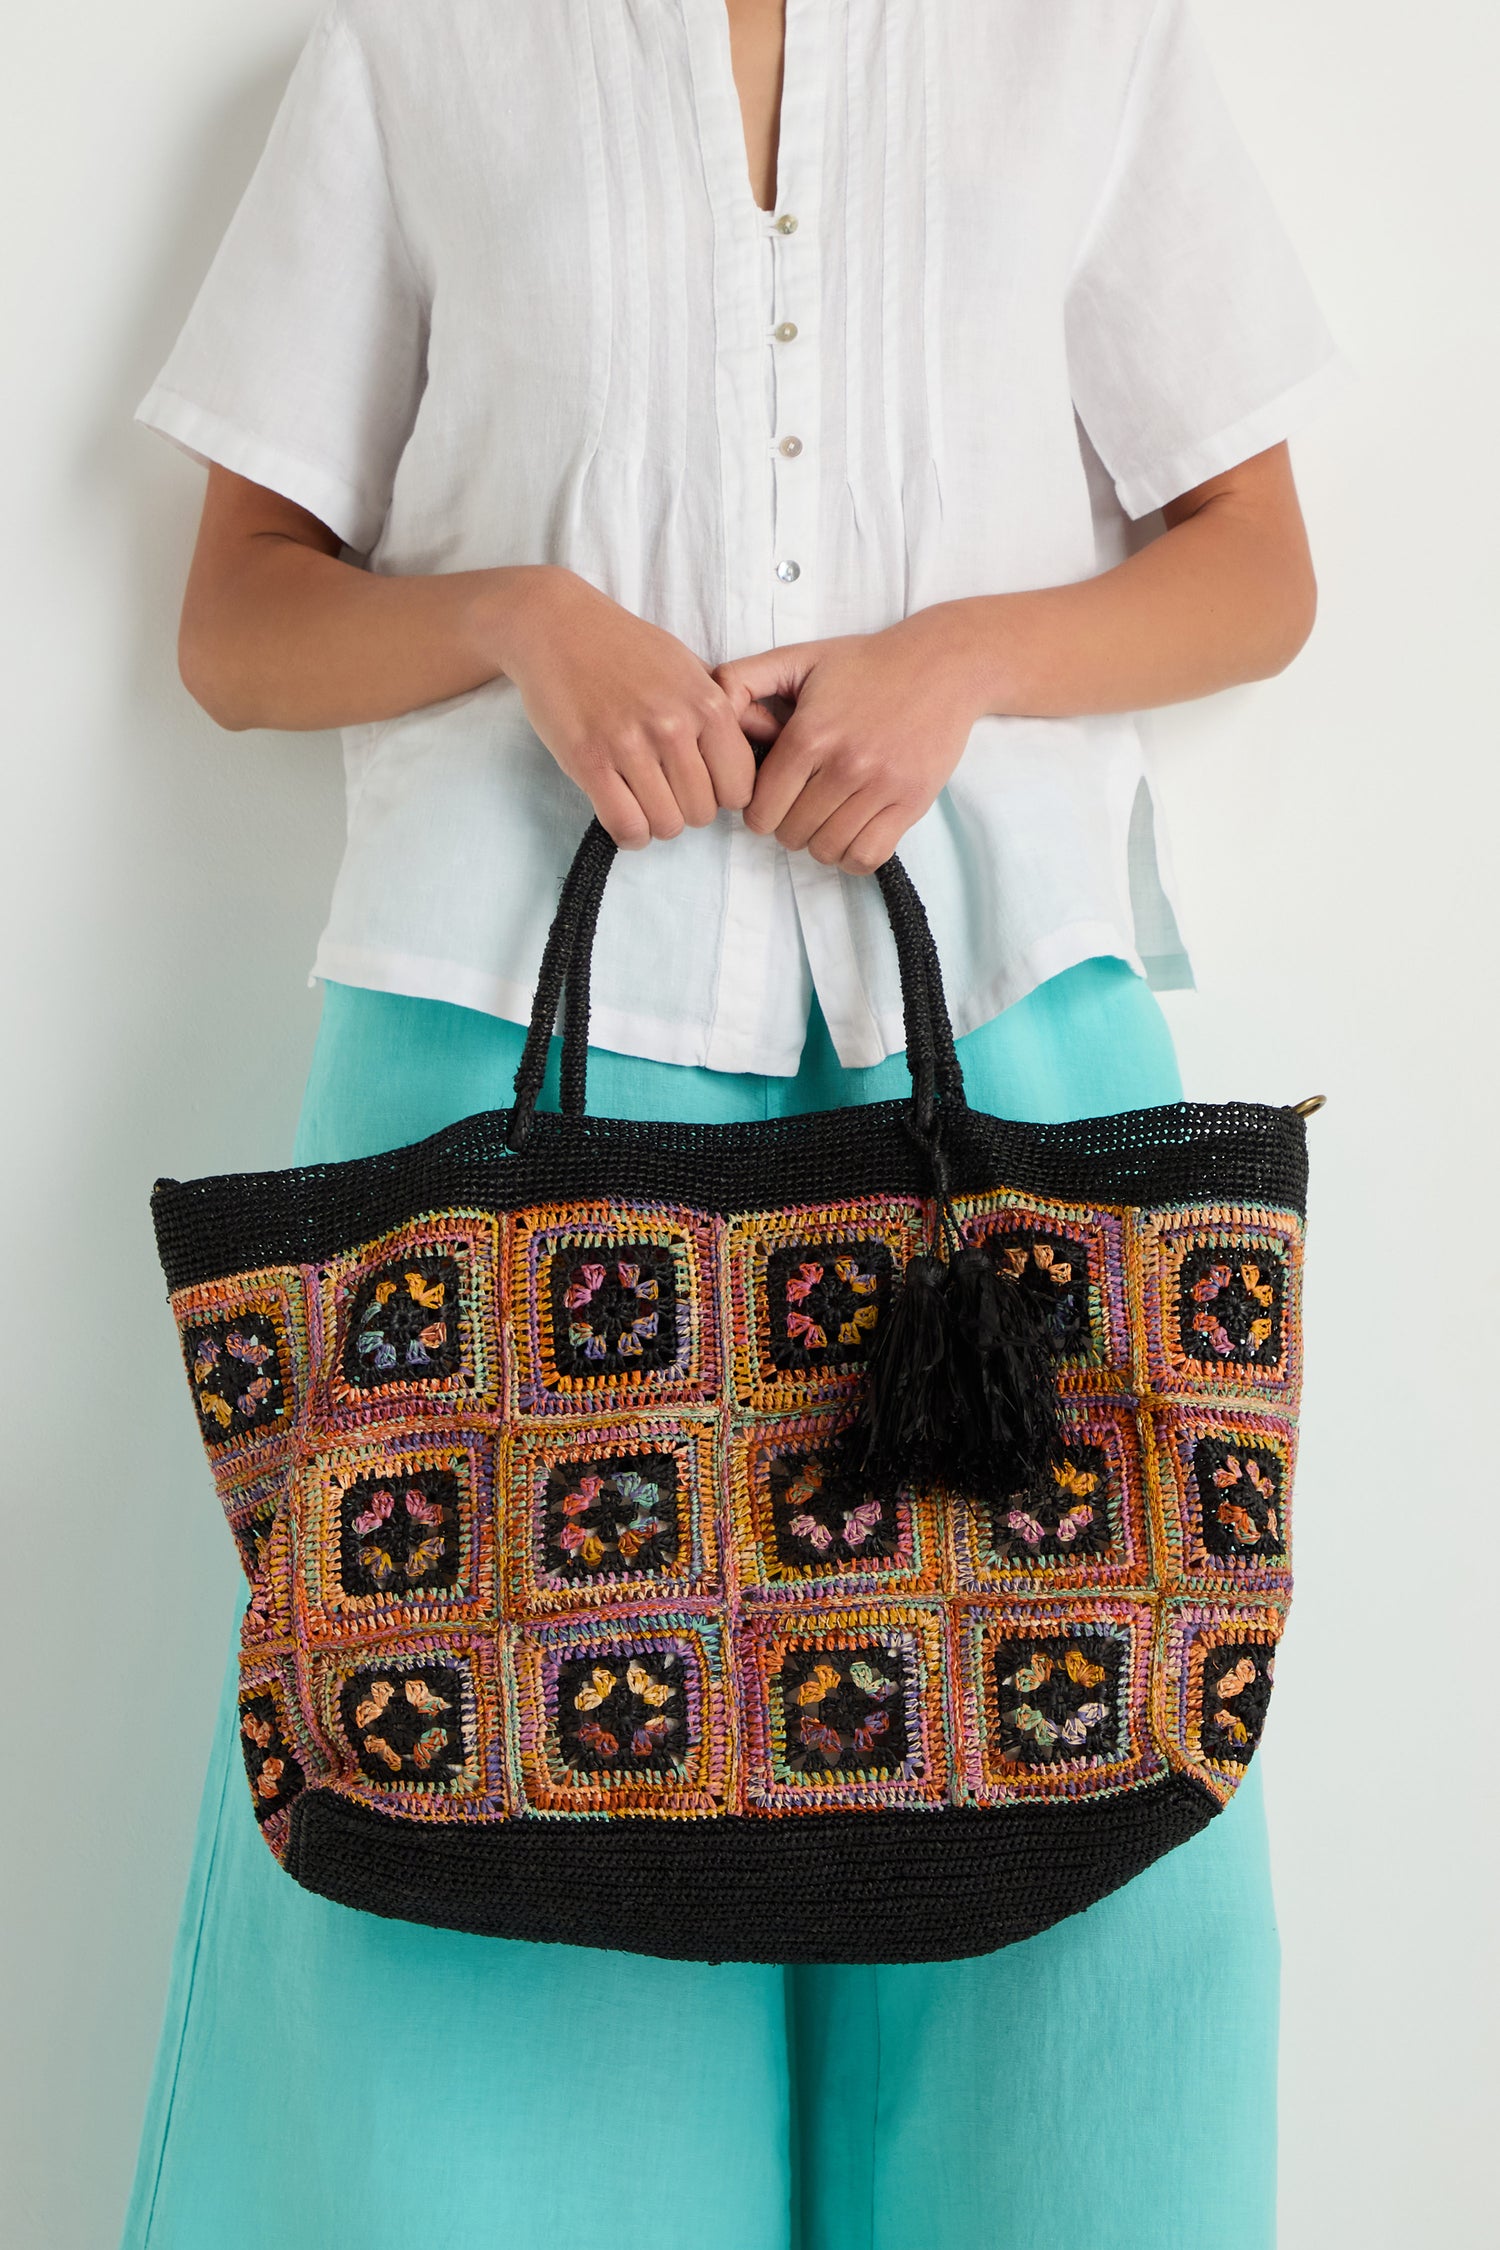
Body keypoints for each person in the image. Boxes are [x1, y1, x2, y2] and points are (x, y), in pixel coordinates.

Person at [122, 4, 1345, 2245]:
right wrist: (518, 625)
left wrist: (963, 658)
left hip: (999, 1077)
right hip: (508, 1082)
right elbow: (235, 624)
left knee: (1070, 1858)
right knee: (468, 1883)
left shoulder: (1086, 40)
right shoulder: (419, 50)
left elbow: (1257, 568)